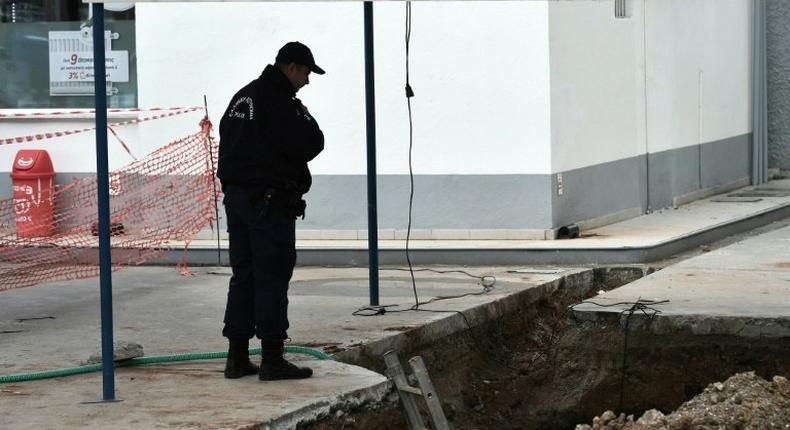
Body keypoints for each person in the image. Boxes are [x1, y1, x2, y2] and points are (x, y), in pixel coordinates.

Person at [216, 41, 325, 381]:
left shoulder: (242, 97)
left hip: (237, 201)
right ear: (291, 67)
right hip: (268, 203)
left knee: (244, 276)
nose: (307, 81)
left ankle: (236, 357)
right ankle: (273, 358)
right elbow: (312, 143)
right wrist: (304, 115)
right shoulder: (278, 102)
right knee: (272, 276)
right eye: (306, 72)